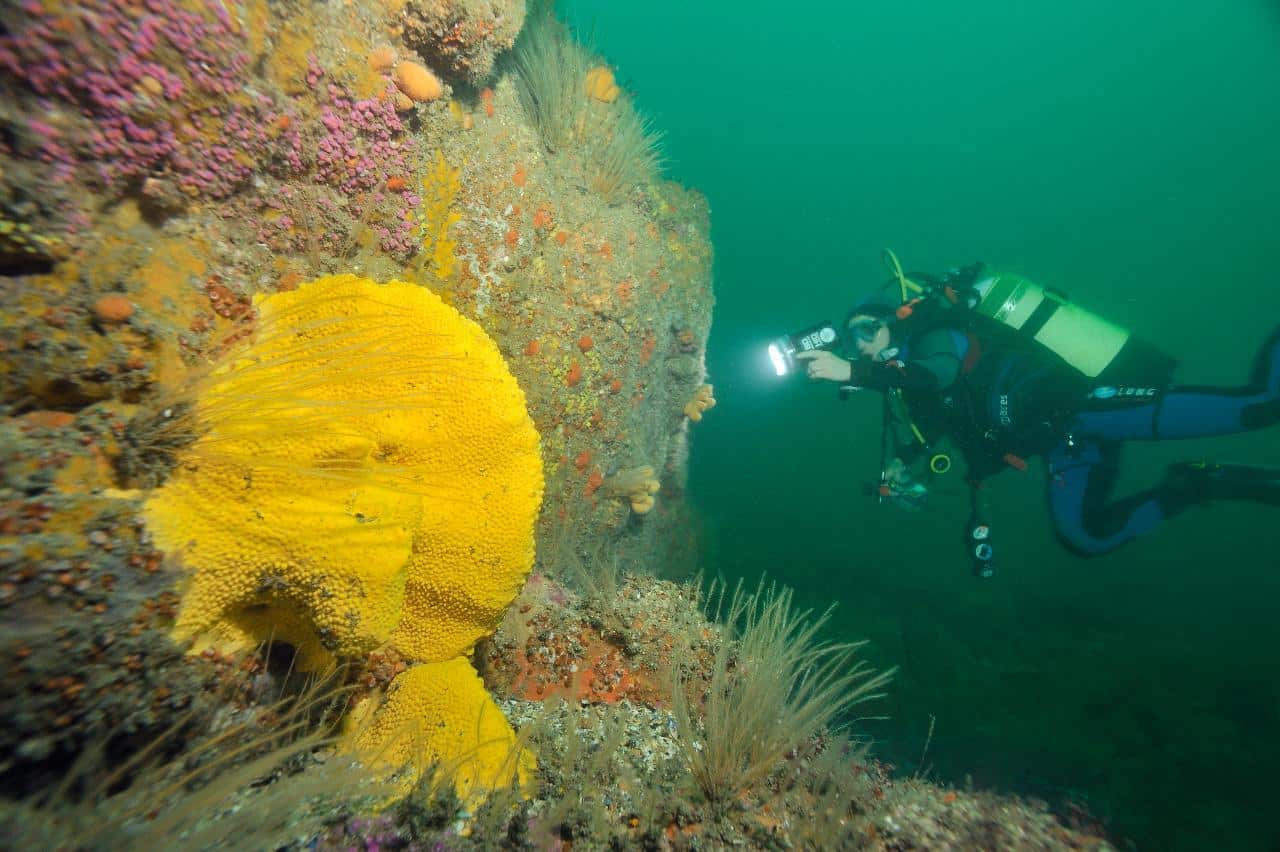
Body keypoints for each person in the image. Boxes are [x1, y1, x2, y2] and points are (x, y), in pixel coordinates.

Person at [796, 259, 1280, 574]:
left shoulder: (934, 337)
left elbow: (939, 374)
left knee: (1262, 406)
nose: (860, 344)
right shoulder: (903, 383)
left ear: (898, 317)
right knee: (1085, 537)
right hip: (1065, 444)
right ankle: (1197, 484)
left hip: (1100, 406)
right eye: (852, 339)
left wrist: (850, 369)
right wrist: (908, 460)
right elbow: (943, 419)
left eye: (867, 331)